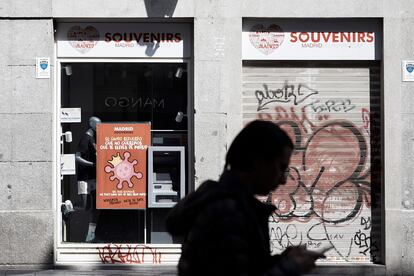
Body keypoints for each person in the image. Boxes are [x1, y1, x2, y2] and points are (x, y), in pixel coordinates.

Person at [166, 120, 324, 276]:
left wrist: (283, 260)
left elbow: (245, 267)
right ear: (257, 162)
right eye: (281, 167)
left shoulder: (229, 204)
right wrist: (290, 267)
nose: (283, 179)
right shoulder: (228, 213)